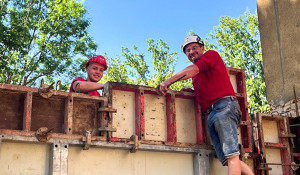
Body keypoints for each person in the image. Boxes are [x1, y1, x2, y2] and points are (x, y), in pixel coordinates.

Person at [159, 35, 253, 175]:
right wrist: (192, 92)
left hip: (224, 107)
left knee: (231, 156)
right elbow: (205, 89)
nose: (191, 52)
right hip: (212, 114)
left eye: (194, 48)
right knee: (228, 159)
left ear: (202, 48)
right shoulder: (197, 77)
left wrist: (168, 82)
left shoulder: (211, 56)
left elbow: (193, 69)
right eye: (188, 50)